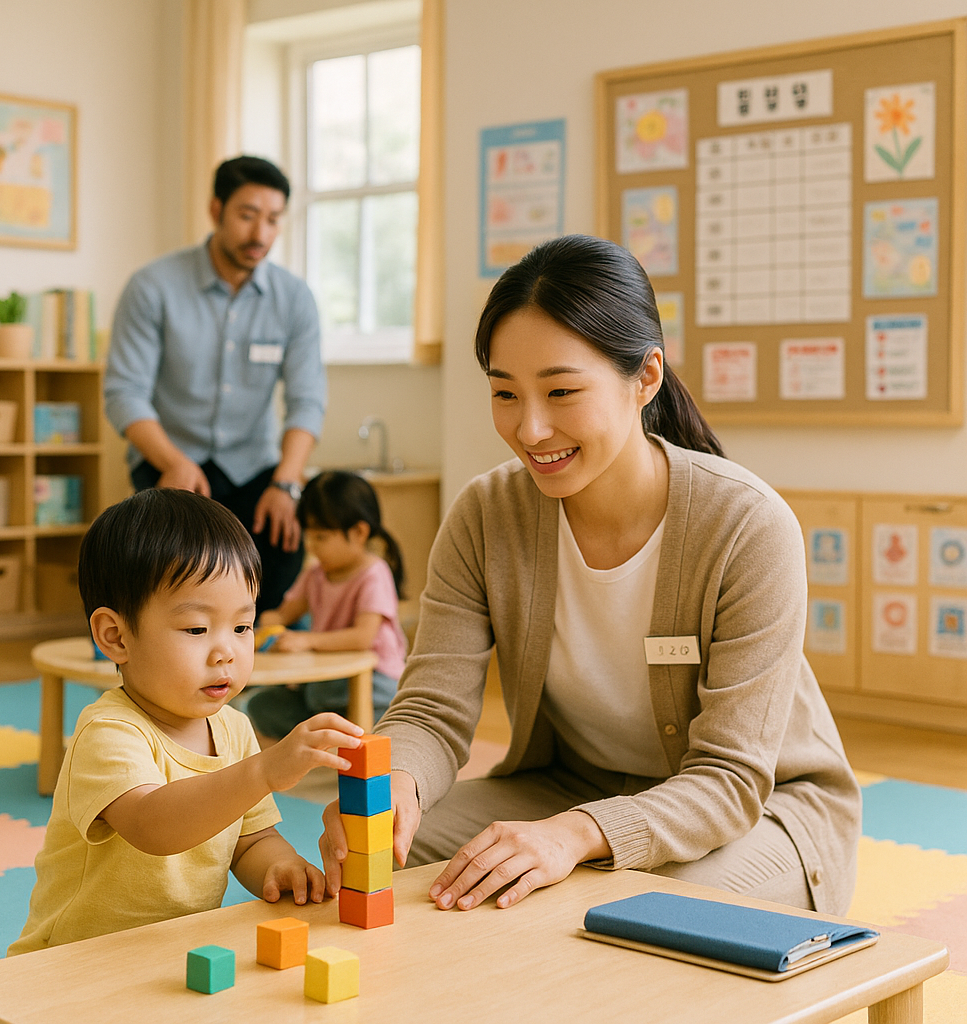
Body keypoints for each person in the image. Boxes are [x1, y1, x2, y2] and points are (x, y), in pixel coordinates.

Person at [319, 234, 861, 917]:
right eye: (505, 393)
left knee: (645, 912)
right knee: (395, 854)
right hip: (573, 787)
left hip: (765, 811)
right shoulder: (485, 515)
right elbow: (431, 708)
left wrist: (574, 836)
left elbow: (729, 779)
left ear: (646, 377)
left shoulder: (747, 525)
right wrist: (395, 783)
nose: (531, 428)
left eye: (562, 391)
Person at [8, 488, 362, 955]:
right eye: (197, 629)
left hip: (173, 957)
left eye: (242, 626)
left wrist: (279, 865)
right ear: (116, 637)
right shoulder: (109, 732)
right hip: (71, 963)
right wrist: (263, 771)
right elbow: (154, 825)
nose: (226, 651)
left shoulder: (234, 729)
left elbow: (249, 839)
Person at [104, 155, 325, 615]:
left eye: (273, 220)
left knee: (280, 560)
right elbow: (125, 393)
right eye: (247, 215)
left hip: (253, 466)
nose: (260, 234)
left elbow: (307, 400)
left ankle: (256, 653)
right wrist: (173, 463)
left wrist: (287, 483)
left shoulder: (294, 299)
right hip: (170, 460)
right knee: (173, 586)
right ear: (215, 210)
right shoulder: (152, 287)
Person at [247, 471, 407, 744]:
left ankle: (356, 727)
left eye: (321, 537)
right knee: (259, 706)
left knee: (321, 692)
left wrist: (306, 641)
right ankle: (331, 731)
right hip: (325, 682)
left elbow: (362, 637)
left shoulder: (374, 573)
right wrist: (263, 626)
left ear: (358, 532)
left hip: (373, 680)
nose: (311, 546)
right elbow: (283, 614)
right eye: (308, 536)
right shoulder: (315, 575)